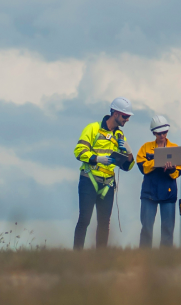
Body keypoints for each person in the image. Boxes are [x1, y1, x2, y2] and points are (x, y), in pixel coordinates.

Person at [72, 96, 134, 250]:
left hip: (108, 184)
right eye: (125, 116)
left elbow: (127, 167)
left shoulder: (120, 136)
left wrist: (129, 152)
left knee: (104, 223)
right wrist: (97, 159)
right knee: (84, 219)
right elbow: (79, 152)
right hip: (89, 179)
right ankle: (76, 257)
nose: (127, 120)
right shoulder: (92, 128)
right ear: (116, 114)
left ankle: (101, 259)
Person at [136, 114, 181, 248]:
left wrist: (170, 169)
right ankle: (144, 257)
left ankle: (165, 259)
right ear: (154, 133)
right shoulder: (145, 148)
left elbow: (179, 171)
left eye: (165, 132)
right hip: (149, 193)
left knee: (168, 229)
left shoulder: (174, 148)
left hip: (168, 193)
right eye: (159, 133)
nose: (162, 135)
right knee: (146, 228)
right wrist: (157, 162)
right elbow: (142, 167)